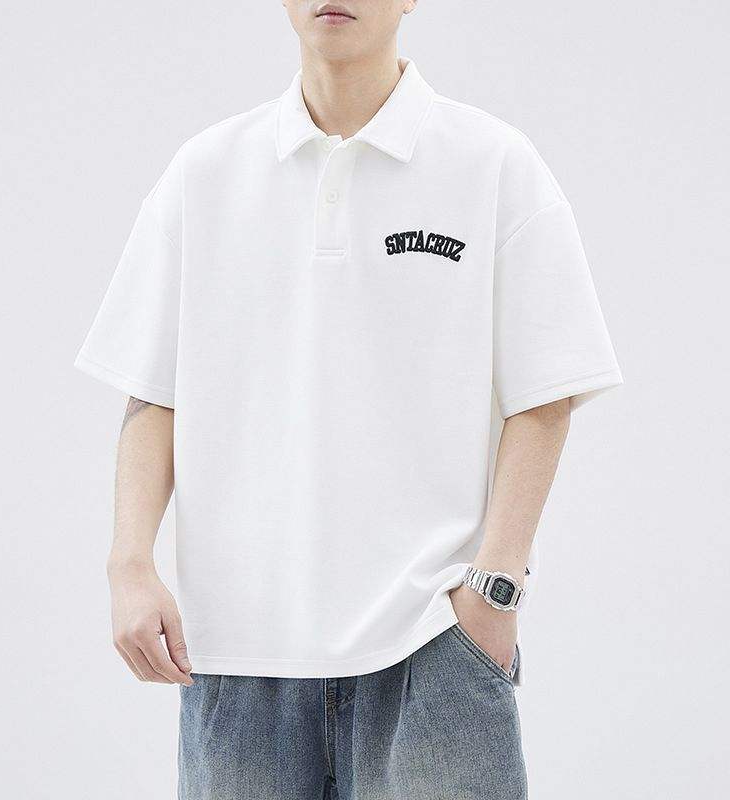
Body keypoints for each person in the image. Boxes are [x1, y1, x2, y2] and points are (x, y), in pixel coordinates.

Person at [75, 2, 622, 797]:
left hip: (433, 645)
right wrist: (129, 564)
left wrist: (493, 595)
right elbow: (155, 394)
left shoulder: (493, 164)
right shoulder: (205, 174)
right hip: (237, 655)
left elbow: (546, 392)